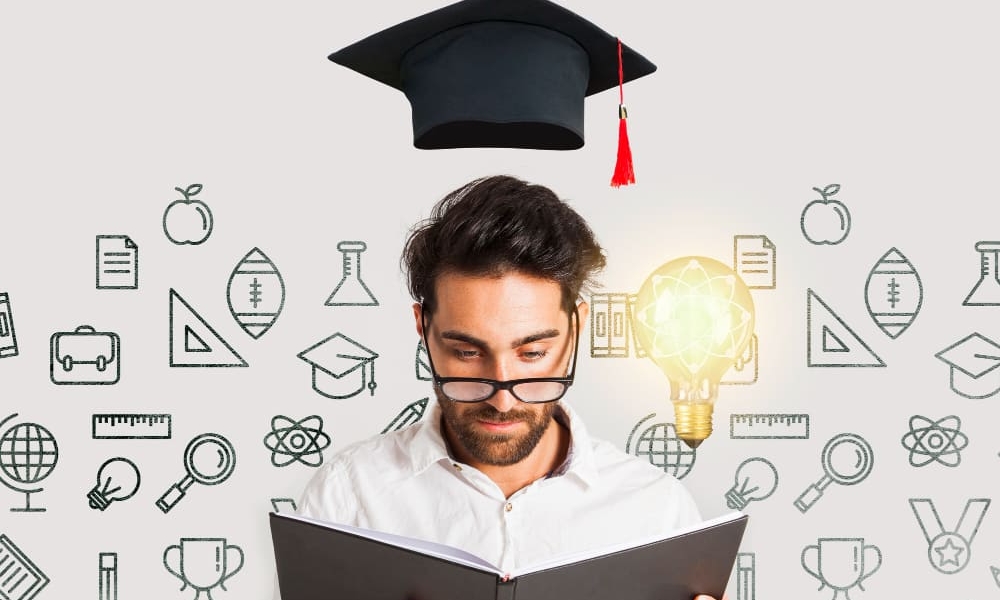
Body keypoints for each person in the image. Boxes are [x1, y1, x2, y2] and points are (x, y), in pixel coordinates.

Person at [293, 174, 722, 600]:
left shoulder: (657, 513)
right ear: (423, 328)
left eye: (532, 354)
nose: (502, 399)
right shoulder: (348, 497)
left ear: (577, 328)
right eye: (466, 352)